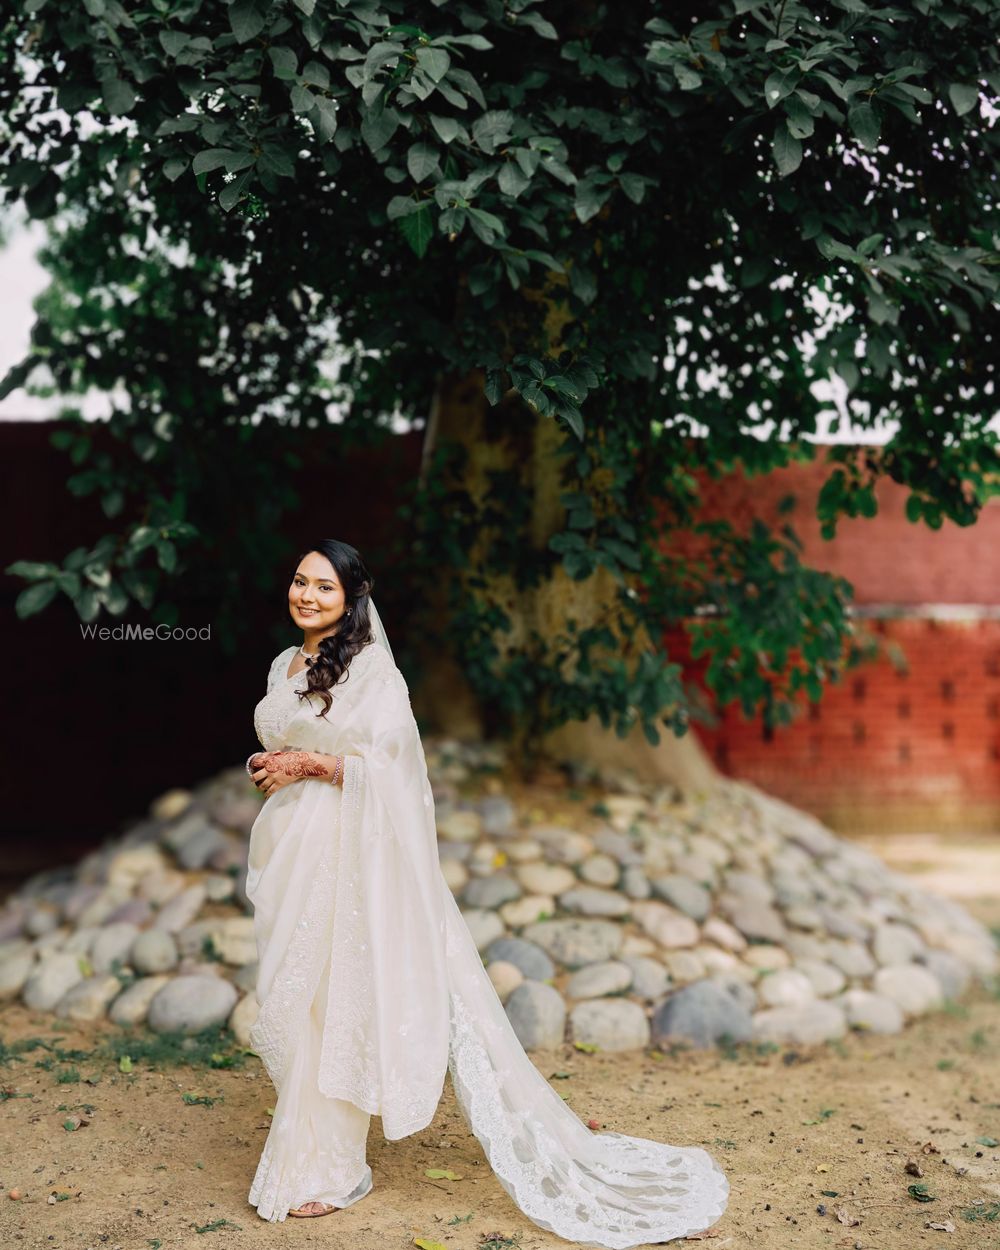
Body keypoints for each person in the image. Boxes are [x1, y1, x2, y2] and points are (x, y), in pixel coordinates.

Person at [244, 538, 730, 1245]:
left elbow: (397, 771)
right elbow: (285, 736)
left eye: (323, 587)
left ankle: (329, 1166)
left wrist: (313, 762)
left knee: (331, 998)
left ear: (352, 598)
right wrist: (270, 762)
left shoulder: (373, 670)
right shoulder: (284, 665)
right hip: (291, 850)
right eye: (299, 581)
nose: (306, 595)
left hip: (349, 855)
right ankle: (313, 1151)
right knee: (292, 1004)